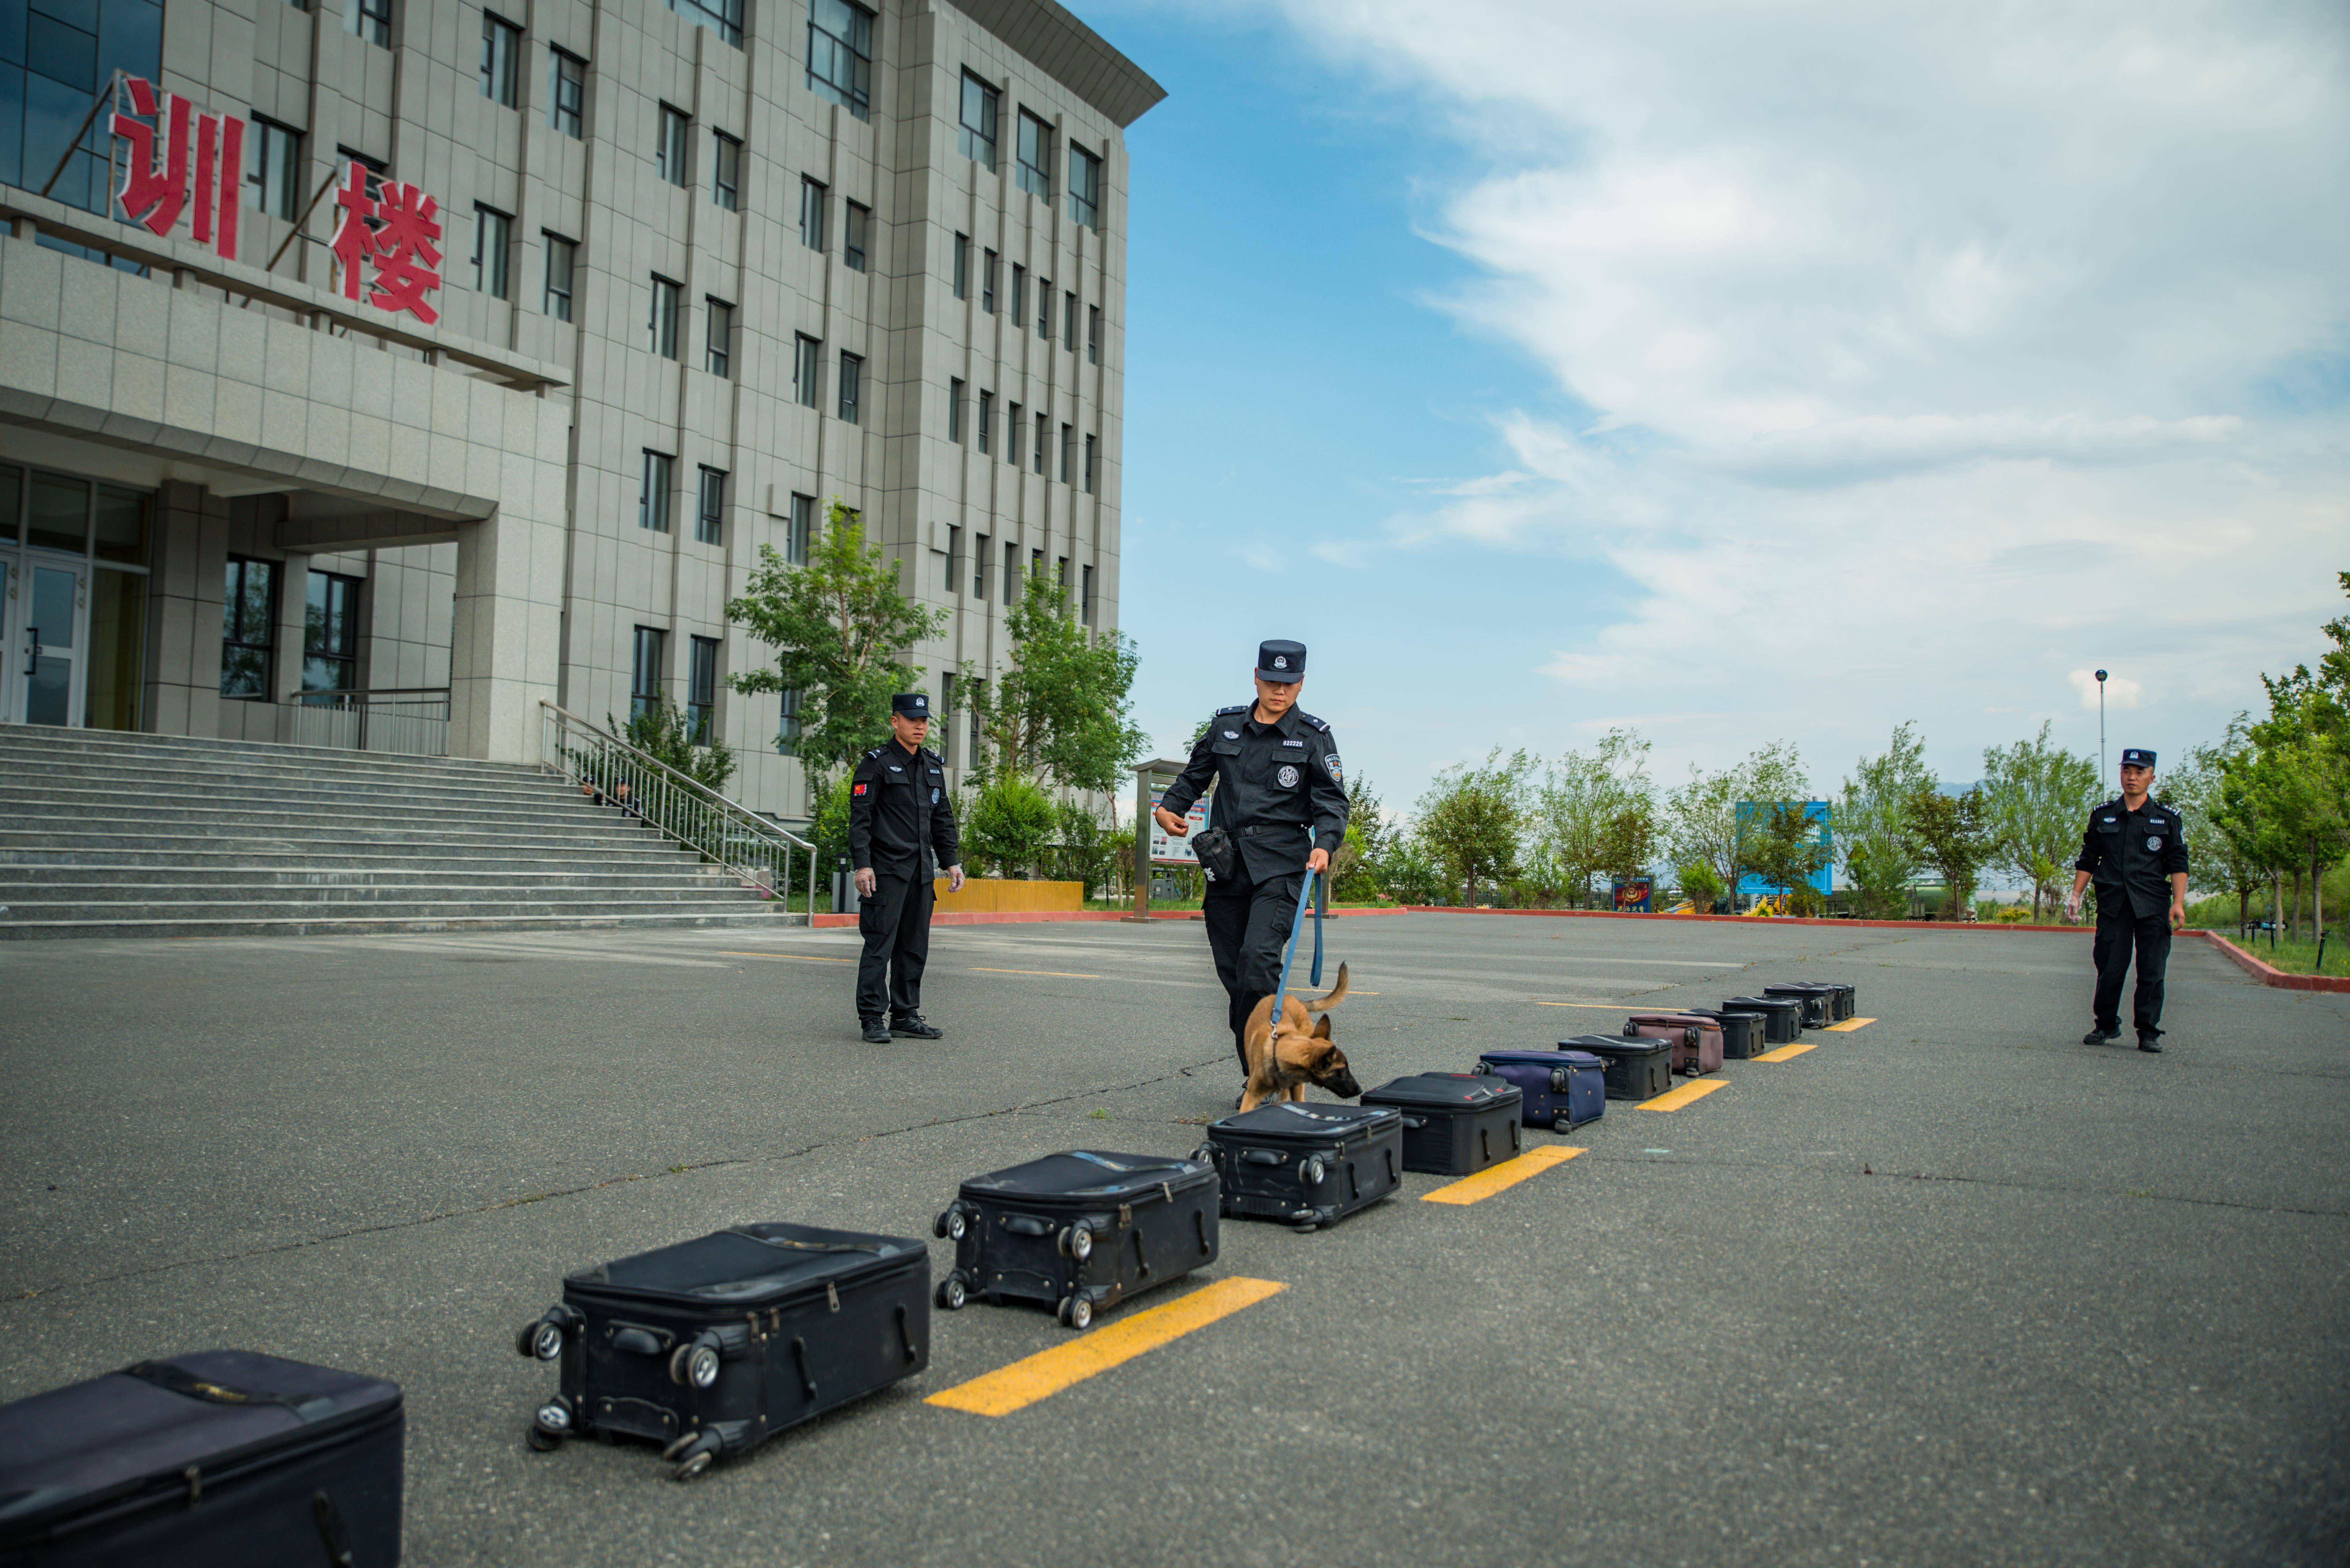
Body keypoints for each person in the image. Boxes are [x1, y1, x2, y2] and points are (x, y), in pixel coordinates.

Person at [1152, 640, 1348, 1078]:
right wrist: (1169, 809)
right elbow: (1193, 777)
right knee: (1235, 976)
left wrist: (1326, 844)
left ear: (1301, 686)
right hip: (1226, 865)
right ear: (1257, 678)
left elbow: (1332, 802)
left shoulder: (1315, 736)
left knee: (1258, 962)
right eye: (1272, 681)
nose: (1279, 691)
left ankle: (1266, 1074)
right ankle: (1260, 1069)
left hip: (1282, 864)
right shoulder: (1226, 728)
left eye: (1289, 684)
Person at [847, 691, 965, 1044]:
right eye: (912, 719)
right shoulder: (876, 764)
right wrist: (862, 866)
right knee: (880, 946)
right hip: (885, 873)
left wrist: (951, 861)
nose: (919, 725)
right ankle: (872, 1018)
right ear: (895, 721)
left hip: (920, 874)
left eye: (924, 720)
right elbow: (860, 819)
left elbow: (942, 818)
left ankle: (904, 1015)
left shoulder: (931, 765)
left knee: (914, 947)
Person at [2066, 747, 2189, 1052]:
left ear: (2151, 778)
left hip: (2152, 905)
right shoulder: (2103, 815)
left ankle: (2148, 1032)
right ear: (2121, 774)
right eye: (2127, 771)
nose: (2132, 778)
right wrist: (2075, 895)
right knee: (2110, 967)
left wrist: (2178, 902)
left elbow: (2178, 863)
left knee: (2152, 971)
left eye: (2139, 773)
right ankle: (2106, 1025)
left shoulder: (2166, 820)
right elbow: (2089, 858)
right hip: (2114, 904)